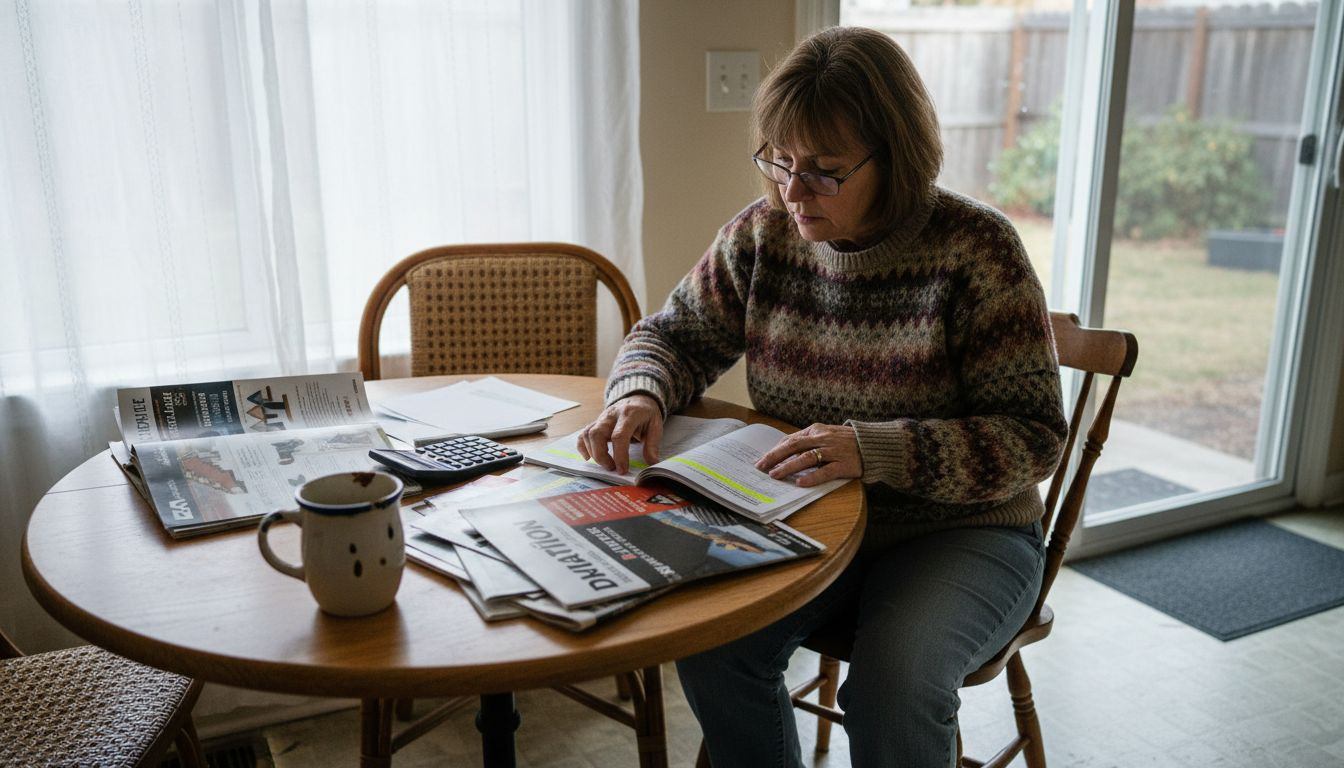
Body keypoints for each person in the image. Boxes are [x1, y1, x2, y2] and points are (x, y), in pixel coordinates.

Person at [576, 26, 1068, 768]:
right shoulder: (764, 235)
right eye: (780, 160)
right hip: (811, 523)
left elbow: (1033, 437)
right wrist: (641, 391)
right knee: (710, 646)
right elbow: (671, 336)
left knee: (893, 685)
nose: (792, 191)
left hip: (963, 532)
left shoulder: (977, 251)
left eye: (825, 172)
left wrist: (875, 450)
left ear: (895, 159)